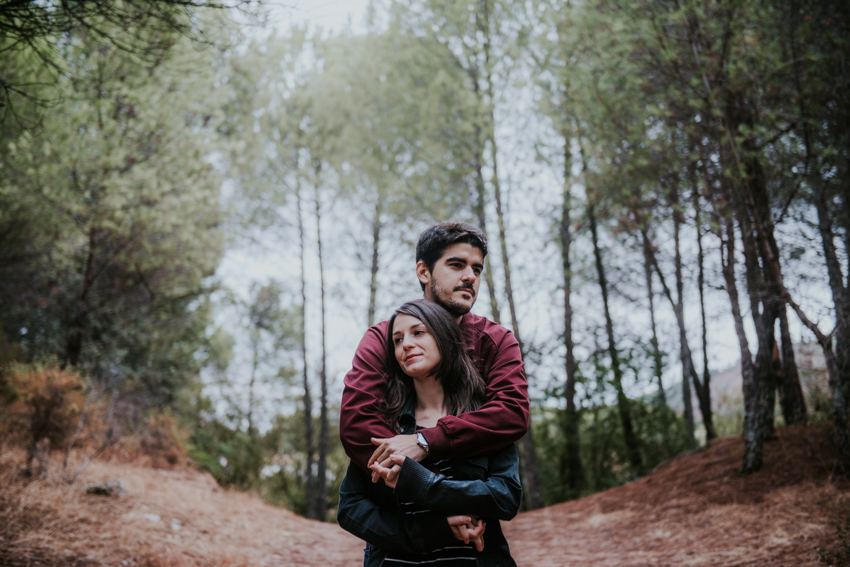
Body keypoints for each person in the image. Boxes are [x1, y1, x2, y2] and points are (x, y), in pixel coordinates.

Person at [339, 222, 529, 487]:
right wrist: (435, 490)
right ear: (424, 272)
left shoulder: (496, 341)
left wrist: (427, 441)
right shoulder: (384, 338)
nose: (470, 277)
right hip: (401, 510)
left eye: (477, 268)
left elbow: (511, 412)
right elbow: (358, 423)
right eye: (456, 265)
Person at [337, 299, 522, 566]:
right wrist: (428, 532)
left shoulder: (480, 420)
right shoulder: (389, 426)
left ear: (445, 337)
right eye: (397, 340)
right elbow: (351, 508)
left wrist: (425, 485)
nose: (406, 344)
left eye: (418, 332)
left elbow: (506, 498)